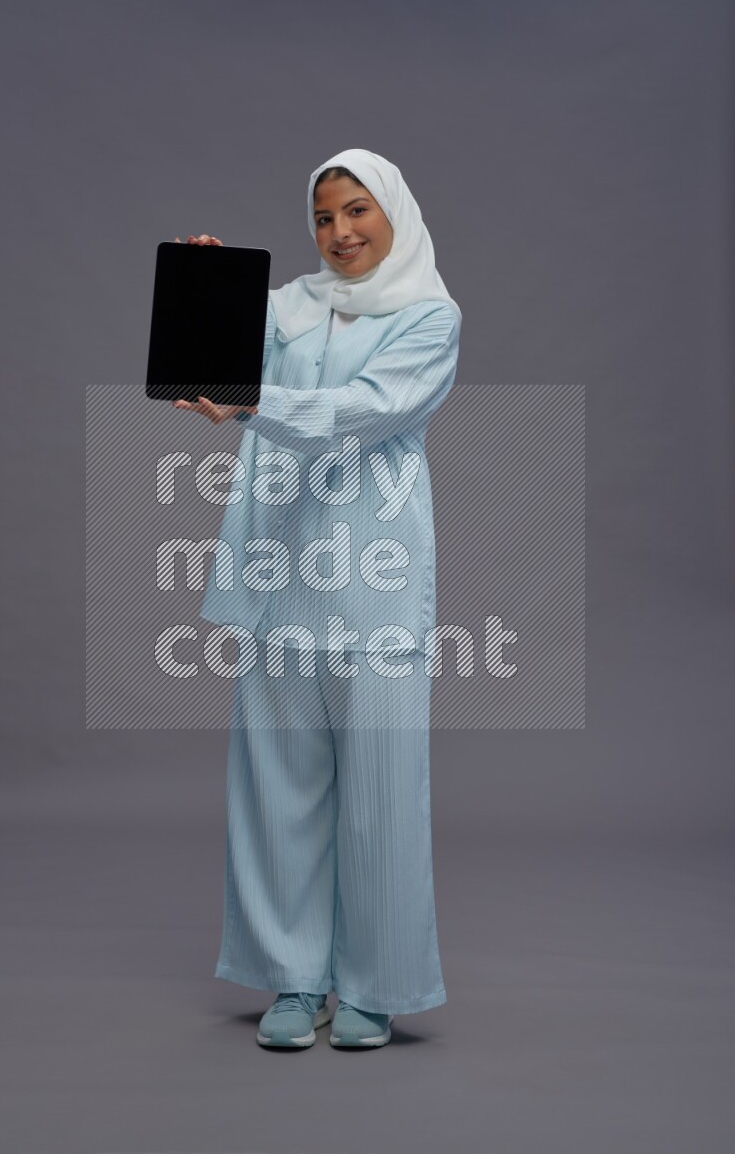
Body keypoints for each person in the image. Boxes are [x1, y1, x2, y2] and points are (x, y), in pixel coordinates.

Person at [173, 148, 461, 1049]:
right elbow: (217, 362)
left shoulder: (429, 316)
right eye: (324, 217)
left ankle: (373, 985)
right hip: (279, 570)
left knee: (379, 793)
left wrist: (255, 404)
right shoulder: (289, 308)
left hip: (372, 578)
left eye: (357, 212)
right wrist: (208, 289)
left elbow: (365, 408)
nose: (340, 233)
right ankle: (295, 979)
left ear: (394, 213)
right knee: (277, 786)